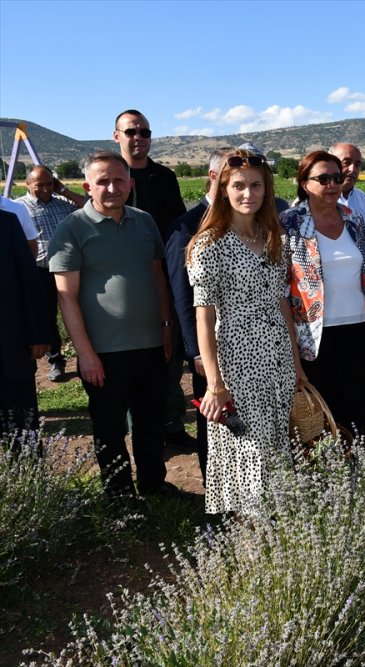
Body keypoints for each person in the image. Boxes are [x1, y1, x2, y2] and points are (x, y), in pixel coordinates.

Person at [48, 151, 175, 500]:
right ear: (88, 186)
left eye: (119, 180)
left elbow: (157, 277)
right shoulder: (72, 228)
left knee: (151, 422)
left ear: (130, 185)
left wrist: (166, 324)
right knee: (110, 428)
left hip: (150, 342)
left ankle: (153, 484)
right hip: (104, 351)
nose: (112, 187)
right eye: (102, 181)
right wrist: (85, 354)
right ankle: (119, 494)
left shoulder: (144, 221)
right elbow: (66, 297)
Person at [186, 149, 304, 516]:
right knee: (247, 444)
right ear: (222, 188)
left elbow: (283, 302)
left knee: (275, 438)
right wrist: (214, 384)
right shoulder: (209, 246)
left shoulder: (274, 237)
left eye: (256, 185)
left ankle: (278, 514)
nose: (248, 194)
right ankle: (253, 524)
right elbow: (203, 319)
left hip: (278, 355)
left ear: (267, 190)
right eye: (238, 186)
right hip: (237, 355)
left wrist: (296, 362)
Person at [113, 108, 193, 451]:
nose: (138, 138)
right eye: (131, 131)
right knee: (133, 359)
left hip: (165, 275)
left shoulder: (164, 177)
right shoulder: (110, 175)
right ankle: (141, 429)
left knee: (170, 354)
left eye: (144, 132)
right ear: (117, 136)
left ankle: (172, 424)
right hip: (123, 281)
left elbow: (178, 229)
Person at [281, 151, 365, 434]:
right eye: (323, 178)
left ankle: (354, 466)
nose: (333, 184)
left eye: (337, 177)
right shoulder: (289, 223)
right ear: (304, 182)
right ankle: (322, 472)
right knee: (319, 410)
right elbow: (282, 289)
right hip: (314, 335)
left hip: (357, 327)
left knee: (356, 403)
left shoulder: (353, 218)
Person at [164, 149, 229, 481]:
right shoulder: (187, 227)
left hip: (244, 342)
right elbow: (182, 298)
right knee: (214, 417)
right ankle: (213, 481)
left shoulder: (243, 222)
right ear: (214, 177)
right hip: (208, 345)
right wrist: (196, 352)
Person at [16, 165, 84, 382]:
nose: (45, 189)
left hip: (68, 270)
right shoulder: (18, 208)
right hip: (39, 270)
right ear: (27, 184)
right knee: (46, 317)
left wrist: (63, 190)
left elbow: (90, 206)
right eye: (39, 185)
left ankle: (85, 356)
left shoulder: (63, 204)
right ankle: (56, 360)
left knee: (81, 311)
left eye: (49, 184)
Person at [0, 210, 47, 438]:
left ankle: (28, 471)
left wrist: (37, 334)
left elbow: (28, 280)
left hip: (10, 345)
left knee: (23, 429)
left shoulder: (7, 222)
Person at [330, 143, 365, 262]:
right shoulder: (312, 201)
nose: (353, 169)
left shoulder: (363, 199)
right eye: (346, 162)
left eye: (357, 164)